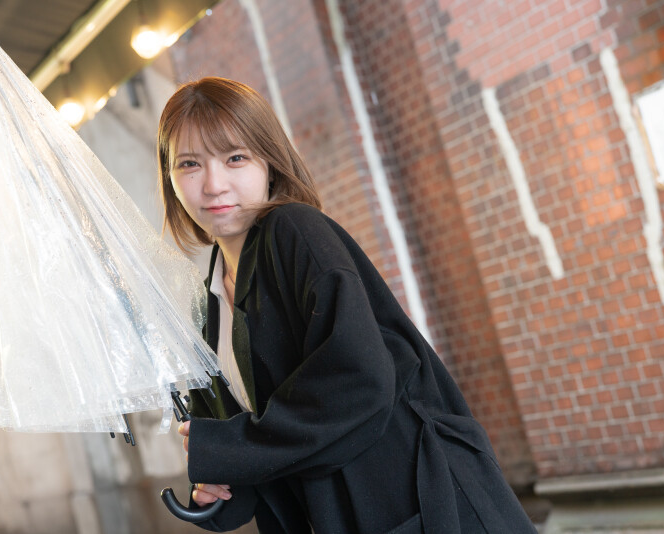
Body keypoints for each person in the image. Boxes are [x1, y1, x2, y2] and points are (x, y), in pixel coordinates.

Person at [158, 77, 536, 533]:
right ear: (170, 178)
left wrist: (228, 447)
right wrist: (215, 481)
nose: (214, 184)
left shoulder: (294, 231)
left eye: (235, 158)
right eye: (189, 164)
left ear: (269, 163)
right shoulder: (210, 308)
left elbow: (359, 378)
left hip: (422, 503)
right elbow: (255, 456)